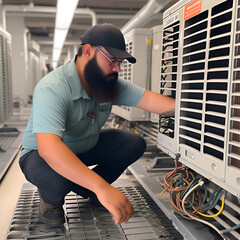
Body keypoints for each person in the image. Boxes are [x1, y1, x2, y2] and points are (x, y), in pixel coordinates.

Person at [19, 23, 175, 226]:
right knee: (57, 177)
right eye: (112, 60)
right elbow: (49, 149)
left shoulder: (108, 82)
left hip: (83, 148)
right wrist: (103, 187)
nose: (117, 68)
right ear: (88, 51)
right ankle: (50, 204)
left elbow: (155, 102)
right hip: (40, 155)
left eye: (120, 62)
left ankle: (87, 189)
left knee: (133, 144)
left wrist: (203, 108)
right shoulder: (54, 88)